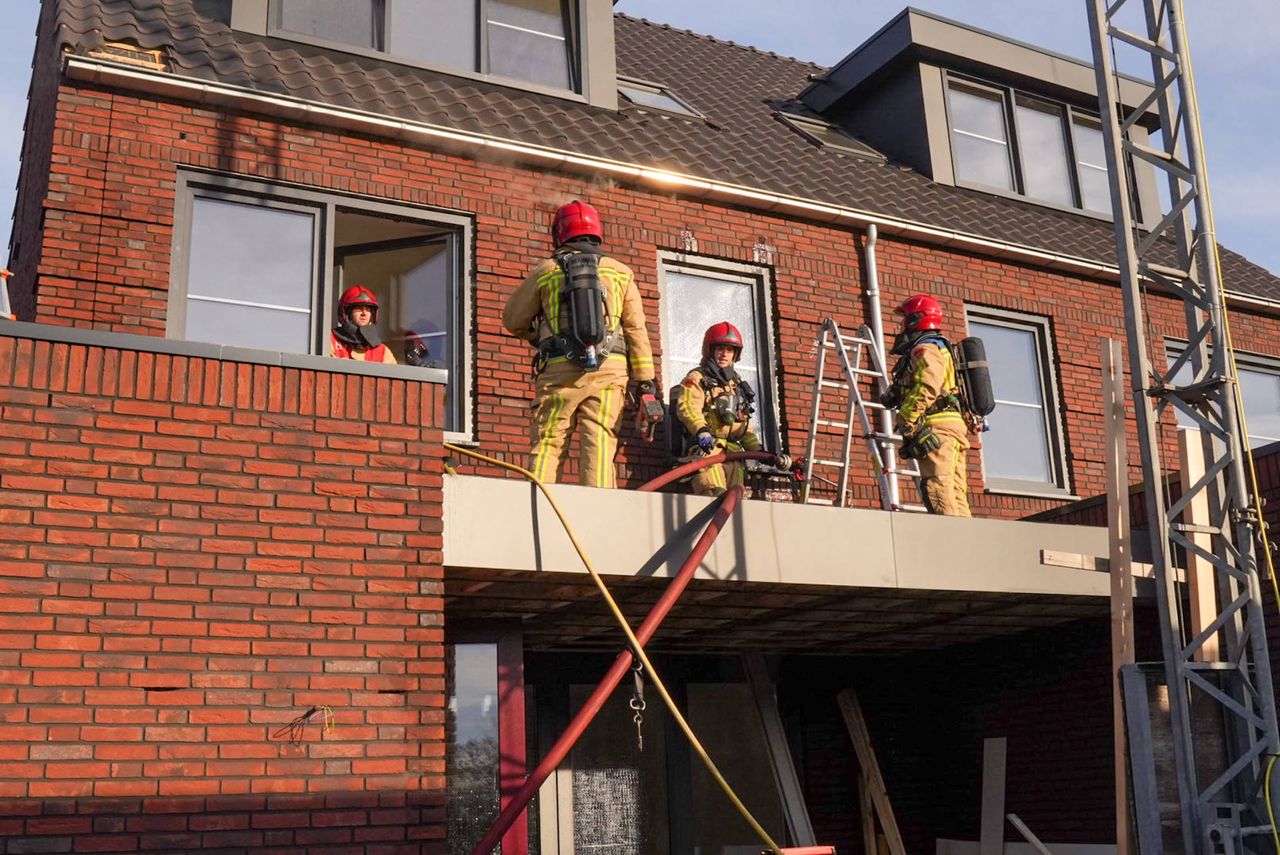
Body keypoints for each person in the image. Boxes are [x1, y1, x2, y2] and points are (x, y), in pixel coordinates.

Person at [502, 200, 656, 488]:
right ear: (597, 232)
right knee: (599, 439)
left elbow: (512, 320)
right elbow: (636, 330)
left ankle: (542, 507)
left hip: (559, 372)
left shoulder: (546, 270)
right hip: (611, 372)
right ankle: (597, 510)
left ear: (559, 234)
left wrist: (539, 338)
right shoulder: (621, 273)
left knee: (549, 440)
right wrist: (646, 384)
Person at [674, 321, 790, 497]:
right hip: (708, 453)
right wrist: (701, 431)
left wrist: (759, 452)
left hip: (734, 457)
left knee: (736, 506)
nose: (724, 354)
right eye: (720, 349)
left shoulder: (736, 386)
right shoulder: (697, 378)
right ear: (710, 350)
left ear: (735, 354)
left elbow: (743, 427)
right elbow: (688, 408)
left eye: (729, 350)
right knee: (715, 495)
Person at [882, 295, 971, 516]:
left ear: (915, 319)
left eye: (904, 319)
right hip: (952, 425)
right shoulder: (940, 346)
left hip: (937, 426)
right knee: (955, 492)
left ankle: (950, 543)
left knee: (937, 489)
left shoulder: (924, 348)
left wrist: (907, 418)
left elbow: (927, 385)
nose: (901, 325)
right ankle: (968, 544)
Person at [330, 286, 397, 364]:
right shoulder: (332, 340)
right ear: (346, 313)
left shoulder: (382, 352)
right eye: (359, 308)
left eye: (368, 310)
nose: (364, 313)